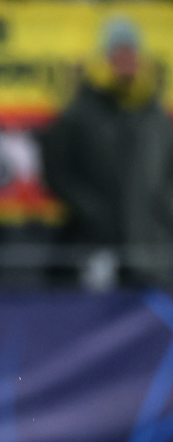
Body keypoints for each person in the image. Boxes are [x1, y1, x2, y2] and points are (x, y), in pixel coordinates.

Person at [41, 18, 173, 288]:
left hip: (150, 244)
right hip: (93, 242)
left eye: (130, 53)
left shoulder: (155, 117)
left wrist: (162, 210)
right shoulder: (78, 114)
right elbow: (57, 171)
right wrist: (91, 210)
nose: (125, 61)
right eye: (117, 53)